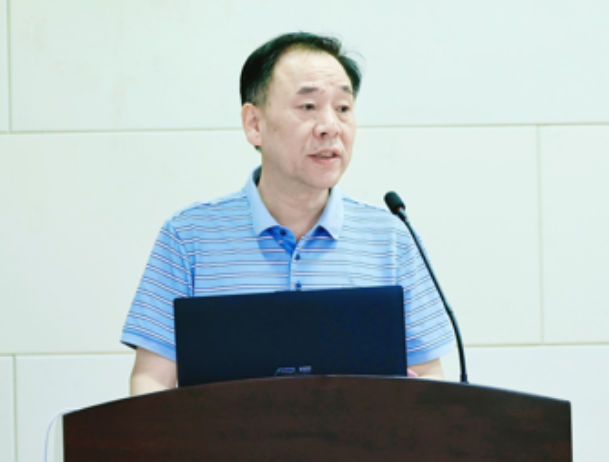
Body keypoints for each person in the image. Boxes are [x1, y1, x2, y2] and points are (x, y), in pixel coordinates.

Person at [122, 32, 456, 396]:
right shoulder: (188, 237)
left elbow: (430, 377)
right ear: (254, 124)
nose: (330, 126)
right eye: (308, 107)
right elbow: (151, 381)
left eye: (343, 108)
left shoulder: (392, 239)